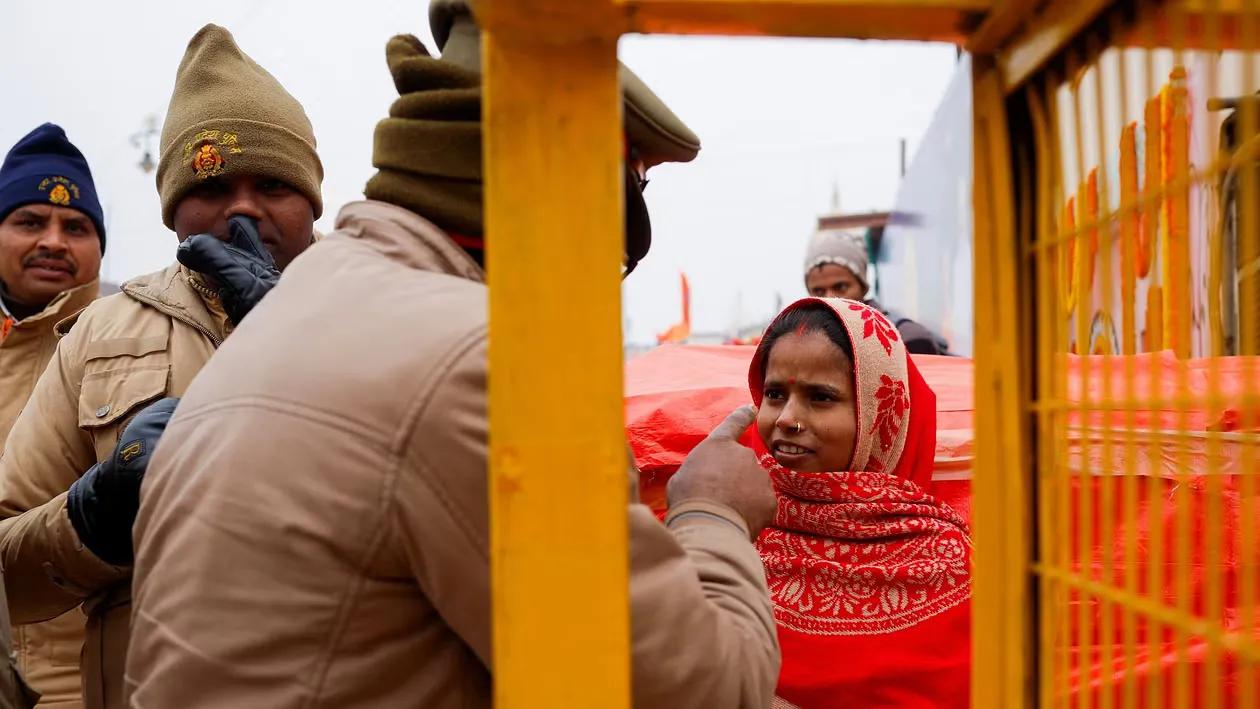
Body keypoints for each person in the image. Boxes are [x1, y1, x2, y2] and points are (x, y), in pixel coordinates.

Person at [126, 4, 781, 707]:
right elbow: (698, 690)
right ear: (577, 183)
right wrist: (713, 514)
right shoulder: (487, 365)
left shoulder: (294, 306)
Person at [0, 25, 323, 709]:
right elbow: (9, 565)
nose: (242, 205)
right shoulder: (98, 335)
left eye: (271, 181)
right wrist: (92, 519)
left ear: (311, 198)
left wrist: (305, 346)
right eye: (211, 182)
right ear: (174, 208)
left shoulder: (378, 309)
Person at [748, 297, 972, 709]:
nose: (786, 418)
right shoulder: (732, 529)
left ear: (881, 414)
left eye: (821, 397)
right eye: (775, 393)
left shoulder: (952, 562)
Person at [0, 123, 106, 709]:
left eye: (76, 227)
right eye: (30, 222)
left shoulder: (134, 343)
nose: (54, 241)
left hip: (86, 685)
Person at [803, 228, 951, 355]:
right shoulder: (802, 342)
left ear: (863, 287)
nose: (830, 298)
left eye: (841, 287)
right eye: (819, 291)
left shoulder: (902, 336)